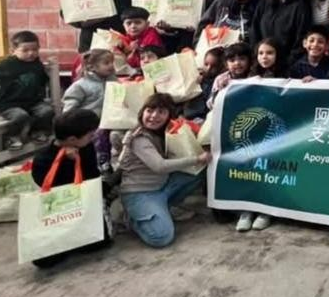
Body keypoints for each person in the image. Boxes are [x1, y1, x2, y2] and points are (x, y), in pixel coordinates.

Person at [118, 94, 210, 248]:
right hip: (140, 193)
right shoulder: (138, 137)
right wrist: (196, 159)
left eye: (161, 112)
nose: (154, 116)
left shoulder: (165, 133)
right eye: (150, 110)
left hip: (162, 186)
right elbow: (159, 166)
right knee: (161, 237)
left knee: (199, 172)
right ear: (142, 112)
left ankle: (163, 209)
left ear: (169, 115)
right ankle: (132, 219)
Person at [28, 109, 112, 268]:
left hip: (82, 205)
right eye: (90, 135)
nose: (92, 138)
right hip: (58, 210)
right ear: (72, 139)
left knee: (99, 243)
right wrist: (65, 161)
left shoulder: (86, 147)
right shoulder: (43, 159)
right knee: (43, 261)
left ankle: (74, 241)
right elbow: (45, 185)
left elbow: (92, 176)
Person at [0, 31, 53, 150]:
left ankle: (37, 132)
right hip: (9, 104)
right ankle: (12, 138)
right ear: (13, 51)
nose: (31, 53)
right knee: (20, 116)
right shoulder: (8, 64)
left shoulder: (36, 63)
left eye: (35, 49)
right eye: (25, 50)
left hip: (32, 102)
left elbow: (43, 80)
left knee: (46, 111)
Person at [63, 49, 119, 174]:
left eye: (112, 62)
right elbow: (69, 110)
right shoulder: (81, 85)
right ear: (92, 67)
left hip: (110, 121)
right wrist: (70, 127)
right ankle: (100, 166)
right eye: (106, 63)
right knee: (98, 137)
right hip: (88, 125)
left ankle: (115, 166)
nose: (111, 66)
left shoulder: (113, 81)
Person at [251, 0, 310, 70]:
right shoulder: (264, 2)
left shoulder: (300, 5)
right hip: (263, 62)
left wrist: (288, 62)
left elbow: (301, 37)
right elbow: (254, 30)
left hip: (289, 64)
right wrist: (258, 56)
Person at [208, 42, 253, 110]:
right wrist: (219, 91)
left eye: (242, 59)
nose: (237, 63)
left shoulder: (254, 77)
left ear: (249, 61)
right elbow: (211, 104)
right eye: (232, 60)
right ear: (226, 64)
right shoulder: (220, 79)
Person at [184, 47, 225, 120]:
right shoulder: (196, 75)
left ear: (221, 67)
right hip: (184, 115)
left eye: (214, 66)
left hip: (202, 118)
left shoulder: (219, 83)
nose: (208, 68)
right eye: (206, 64)